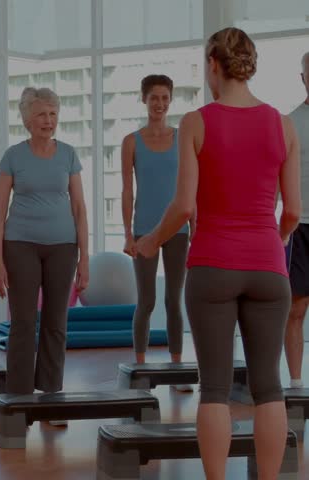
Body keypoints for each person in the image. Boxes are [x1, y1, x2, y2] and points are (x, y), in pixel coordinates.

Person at [136, 27, 301, 480]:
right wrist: (274, 243)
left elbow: (185, 205)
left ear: (213, 64)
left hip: (212, 265)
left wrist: (150, 240)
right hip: (268, 267)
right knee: (269, 388)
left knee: (213, 388)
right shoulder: (281, 124)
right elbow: (294, 211)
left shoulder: (196, 121)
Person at [0, 87, 89, 426]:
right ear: (27, 119)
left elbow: (79, 207)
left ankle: (50, 395)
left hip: (63, 246)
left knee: (55, 323)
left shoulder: (69, 154)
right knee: (22, 322)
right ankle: (19, 399)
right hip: (19, 244)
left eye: (53, 113)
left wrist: (85, 258)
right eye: (42, 114)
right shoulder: (13, 157)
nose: (49, 120)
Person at [121, 74, 192, 391]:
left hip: (177, 230)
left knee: (173, 300)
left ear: (170, 100)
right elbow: (126, 192)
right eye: (154, 98)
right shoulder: (131, 141)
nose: (160, 104)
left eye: (165, 98)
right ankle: (139, 370)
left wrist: (198, 228)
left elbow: (193, 189)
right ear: (144, 99)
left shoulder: (183, 138)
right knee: (146, 300)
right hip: (143, 230)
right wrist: (127, 235)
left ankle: (177, 370)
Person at [284, 51, 309, 389]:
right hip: (300, 225)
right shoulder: (290, 122)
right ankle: (295, 385)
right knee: (295, 309)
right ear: (303, 76)